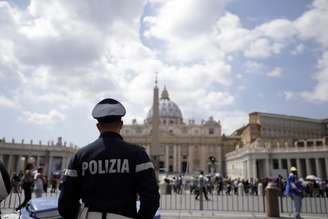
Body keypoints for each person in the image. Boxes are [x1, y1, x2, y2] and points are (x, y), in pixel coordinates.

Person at [58, 98, 160, 219]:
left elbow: (65, 204)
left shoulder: (80, 156)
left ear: (98, 126)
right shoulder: (137, 154)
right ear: (121, 125)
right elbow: (151, 199)